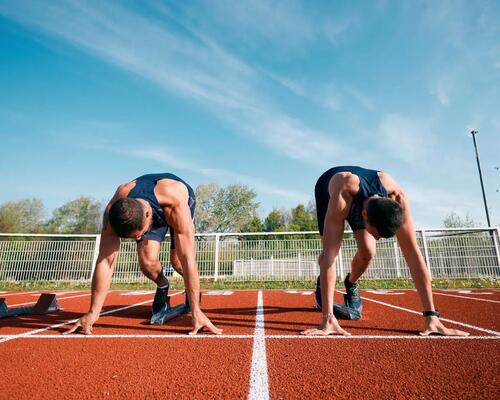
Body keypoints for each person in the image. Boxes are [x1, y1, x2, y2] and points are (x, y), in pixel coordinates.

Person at [302, 166, 468, 337]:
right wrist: (327, 319)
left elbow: (413, 254)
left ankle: (350, 283)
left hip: (366, 200)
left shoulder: (397, 197)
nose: (378, 238)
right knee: (327, 253)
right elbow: (330, 255)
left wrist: (431, 316)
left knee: (368, 251)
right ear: (364, 215)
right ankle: (324, 295)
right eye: (375, 234)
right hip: (329, 189)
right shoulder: (343, 192)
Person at [65, 173, 222, 335]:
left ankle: (194, 299)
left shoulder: (174, 201)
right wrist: (93, 312)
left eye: (140, 234)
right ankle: (163, 285)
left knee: (178, 262)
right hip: (143, 209)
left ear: (147, 216)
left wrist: (196, 312)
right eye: (134, 238)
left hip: (173, 202)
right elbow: (105, 261)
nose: (139, 238)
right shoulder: (113, 210)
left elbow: (188, 258)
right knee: (147, 262)